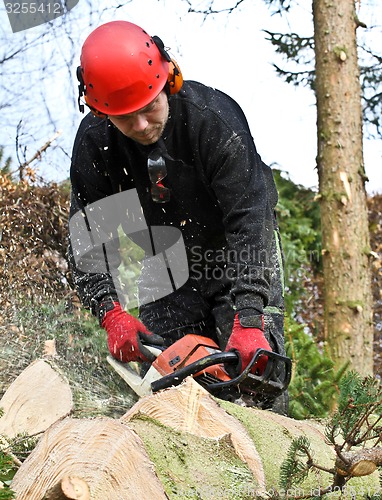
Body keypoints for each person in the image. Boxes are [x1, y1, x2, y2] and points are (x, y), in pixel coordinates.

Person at [68, 20, 288, 414]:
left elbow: (250, 220)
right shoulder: (96, 144)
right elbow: (91, 240)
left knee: (256, 385)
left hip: (235, 254)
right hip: (162, 266)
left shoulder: (212, 122)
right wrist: (111, 312)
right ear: (100, 110)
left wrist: (250, 315)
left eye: (148, 108)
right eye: (124, 117)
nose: (140, 126)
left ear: (168, 80)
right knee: (171, 398)